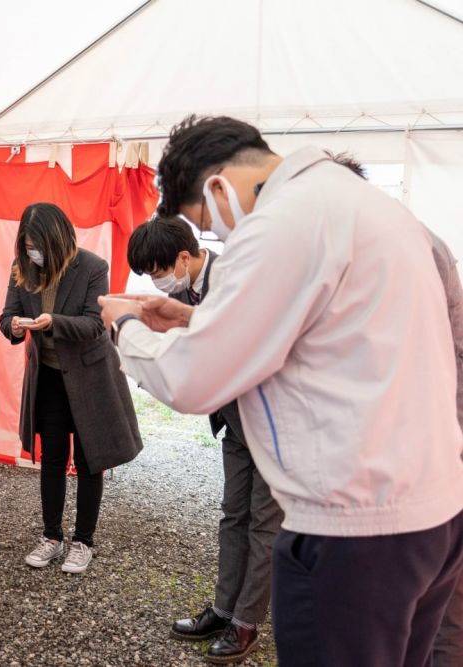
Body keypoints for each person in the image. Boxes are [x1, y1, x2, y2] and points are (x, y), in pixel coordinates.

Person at [99, 115, 463, 665]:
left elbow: (193, 381)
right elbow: (325, 336)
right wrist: (191, 320)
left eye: (207, 223)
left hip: (352, 528)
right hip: (430, 511)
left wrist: (124, 329)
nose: (220, 236)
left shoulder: (281, 223)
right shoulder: (371, 207)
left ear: (218, 186)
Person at [328, 150, 463, 667]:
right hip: (428, 438)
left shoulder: (398, 246)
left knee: (426, 601)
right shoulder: (407, 236)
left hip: (424, 444)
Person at [128, 216, 282, 663]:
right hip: (234, 420)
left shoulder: (235, 278)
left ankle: (247, 624)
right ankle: (223, 609)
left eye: (159, 272)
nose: (159, 284)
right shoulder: (190, 287)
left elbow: (242, 348)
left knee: (263, 525)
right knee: (233, 516)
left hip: (269, 422)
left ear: (182, 257)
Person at [0, 202, 143, 575]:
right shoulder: (23, 268)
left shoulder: (92, 267)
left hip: (89, 377)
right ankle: (51, 536)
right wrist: (13, 325)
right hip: (47, 375)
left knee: (88, 459)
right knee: (52, 458)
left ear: (57, 237)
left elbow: (95, 324)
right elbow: (6, 314)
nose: (34, 252)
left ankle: (83, 541)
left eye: (38, 244)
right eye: (28, 244)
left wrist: (53, 322)